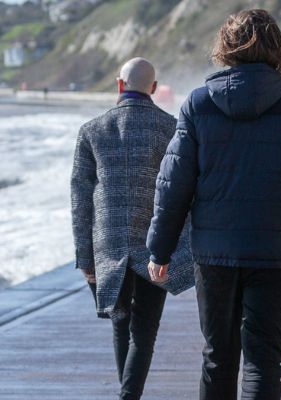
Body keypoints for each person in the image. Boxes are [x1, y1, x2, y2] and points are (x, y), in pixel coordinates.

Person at [144, 9, 281, 400]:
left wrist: (160, 248)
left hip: (215, 256)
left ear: (226, 49)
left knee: (218, 355)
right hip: (273, 255)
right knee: (263, 360)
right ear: (279, 50)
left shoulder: (199, 105)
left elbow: (173, 185)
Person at [71, 57, 196, 400]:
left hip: (107, 246)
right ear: (153, 88)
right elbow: (185, 190)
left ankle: (127, 396)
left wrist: (85, 258)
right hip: (156, 244)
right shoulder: (170, 128)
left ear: (119, 84)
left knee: (120, 324)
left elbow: (81, 202)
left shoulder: (92, 131)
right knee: (145, 332)